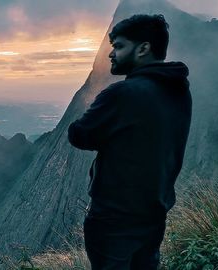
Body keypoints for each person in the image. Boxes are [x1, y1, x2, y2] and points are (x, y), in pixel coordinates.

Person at [67, 14, 192, 269]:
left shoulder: (123, 94)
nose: (111, 54)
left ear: (143, 48)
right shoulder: (179, 91)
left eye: (119, 46)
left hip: (114, 219)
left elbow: (79, 134)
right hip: (154, 212)